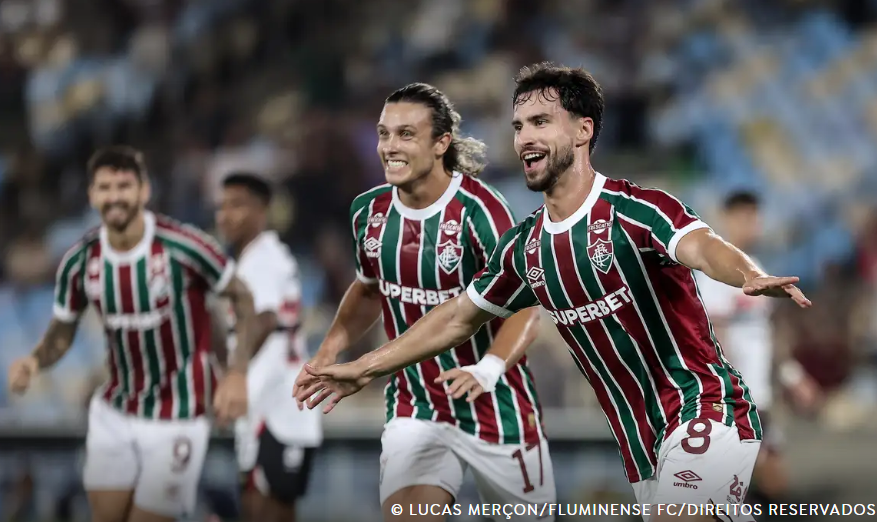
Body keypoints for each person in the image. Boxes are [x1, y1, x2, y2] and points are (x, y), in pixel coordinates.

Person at [294, 64, 813, 522]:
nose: (523, 137)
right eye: (518, 126)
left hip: (704, 408)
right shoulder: (525, 248)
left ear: (584, 131)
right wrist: (364, 367)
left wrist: (743, 273)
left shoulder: (634, 210)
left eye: (540, 123)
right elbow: (456, 319)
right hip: (639, 441)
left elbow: (701, 246)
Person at [293, 83, 556, 521]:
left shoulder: (482, 211)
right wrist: (329, 346)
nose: (389, 147)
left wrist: (488, 368)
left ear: (441, 143)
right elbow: (368, 287)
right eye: (383, 134)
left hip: (497, 406)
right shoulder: (369, 211)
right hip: (415, 405)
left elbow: (526, 307)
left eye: (405, 135)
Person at [7, 146, 255, 522]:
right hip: (116, 411)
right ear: (92, 195)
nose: (114, 197)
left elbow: (242, 296)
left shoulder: (184, 246)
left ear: (144, 191)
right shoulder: (81, 260)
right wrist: (35, 360)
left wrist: (235, 373)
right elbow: (62, 331)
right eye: (104, 188)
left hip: (179, 413)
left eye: (124, 186)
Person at [693, 191, 822, 508]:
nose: (753, 225)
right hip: (734, 399)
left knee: (761, 484)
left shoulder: (758, 269)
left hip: (758, 398)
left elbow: (767, 334)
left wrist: (793, 377)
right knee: (758, 483)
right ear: (726, 218)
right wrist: (729, 393)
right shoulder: (715, 271)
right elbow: (712, 335)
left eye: (756, 217)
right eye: (745, 217)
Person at [215, 172, 321, 522]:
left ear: (262, 211)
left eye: (237, 206)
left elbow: (263, 319)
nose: (225, 215)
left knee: (261, 509)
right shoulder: (269, 256)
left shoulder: (260, 259)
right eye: (222, 206)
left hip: (274, 409)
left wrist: (234, 375)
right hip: (276, 408)